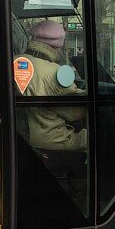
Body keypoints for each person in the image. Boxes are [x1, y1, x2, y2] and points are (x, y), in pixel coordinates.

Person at [18, 19, 88, 205]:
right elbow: (76, 113)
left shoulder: (16, 61)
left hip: (24, 139)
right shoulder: (52, 72)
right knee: (99, 140)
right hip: (53, 141)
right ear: (57, 46)